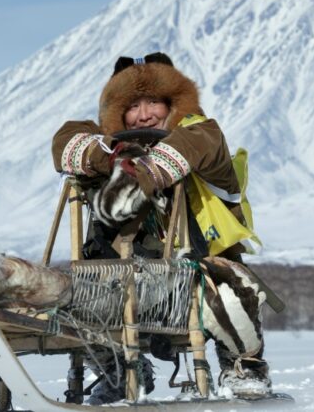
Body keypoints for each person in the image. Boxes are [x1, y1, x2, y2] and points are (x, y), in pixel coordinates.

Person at [51, 52, 272, 403]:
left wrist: (142, 172)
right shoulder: (108, 144)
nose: (144, 114)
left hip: (197, 273)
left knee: (232, 297)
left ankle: (244, 368)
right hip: (124, 276)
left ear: (173, 103)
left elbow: (194, 143)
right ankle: (121, 372)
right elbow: (66, 141)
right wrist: (110, 155)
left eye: (154, 101)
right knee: (78, 297)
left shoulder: (203, 132)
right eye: (132, 105)